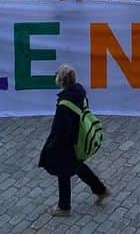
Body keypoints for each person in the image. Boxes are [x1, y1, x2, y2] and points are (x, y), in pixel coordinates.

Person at [38, 64, 109, 217]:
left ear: (61, 81)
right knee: (77, 167)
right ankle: (100, 190)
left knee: (63, 172)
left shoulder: (64, 104)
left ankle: (64, 207)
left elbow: (59, 129)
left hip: (67, 144)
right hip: (77, 140)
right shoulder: (79, 93)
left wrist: (52, 146)